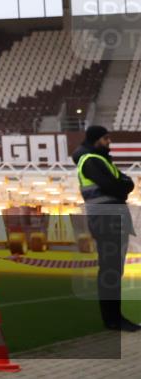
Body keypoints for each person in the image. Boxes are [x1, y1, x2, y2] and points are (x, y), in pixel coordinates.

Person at [73, 125, 139, 332]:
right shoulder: (91, 160)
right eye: (106, 138)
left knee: (113, 270)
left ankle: (114, 318)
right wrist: (122, 186)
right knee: (110, 271)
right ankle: (112, 320)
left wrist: (122, 185)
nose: (109, 142)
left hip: (110, 216)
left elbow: (127, 184)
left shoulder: (98, 159)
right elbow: (117, 186)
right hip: (106, 217)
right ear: (96, 140)